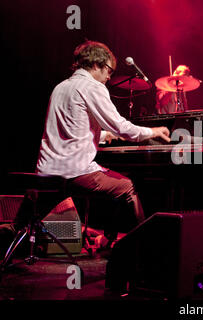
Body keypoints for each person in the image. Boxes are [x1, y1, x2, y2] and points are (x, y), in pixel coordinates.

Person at [4, 41, 171, 252]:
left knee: (24, 219)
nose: (110, 76)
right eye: (109, 70)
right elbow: (122, 127)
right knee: (127, 187)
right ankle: (144, 250)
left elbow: (69, 128)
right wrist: (153, 131)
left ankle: (13, 230)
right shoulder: (93, 87)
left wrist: (101, 136)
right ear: (96, 65)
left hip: (46, 173)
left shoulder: (60, 87)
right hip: (73, 174)